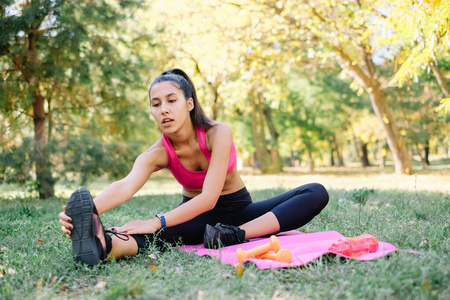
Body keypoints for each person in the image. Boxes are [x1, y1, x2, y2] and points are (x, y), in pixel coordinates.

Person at [58, 68, 329, 266]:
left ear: (189, 104)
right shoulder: (156, 153)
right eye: (156, 104)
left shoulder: (217, 133)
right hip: (195, 218)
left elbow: (210, 197)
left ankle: (237, 235)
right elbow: (126, 185)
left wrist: (157, 221)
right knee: (150, 236)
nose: (164, 109)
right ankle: (103, 245)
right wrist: (88, 212)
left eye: (171, 100)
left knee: (315, 192)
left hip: (242, 212)